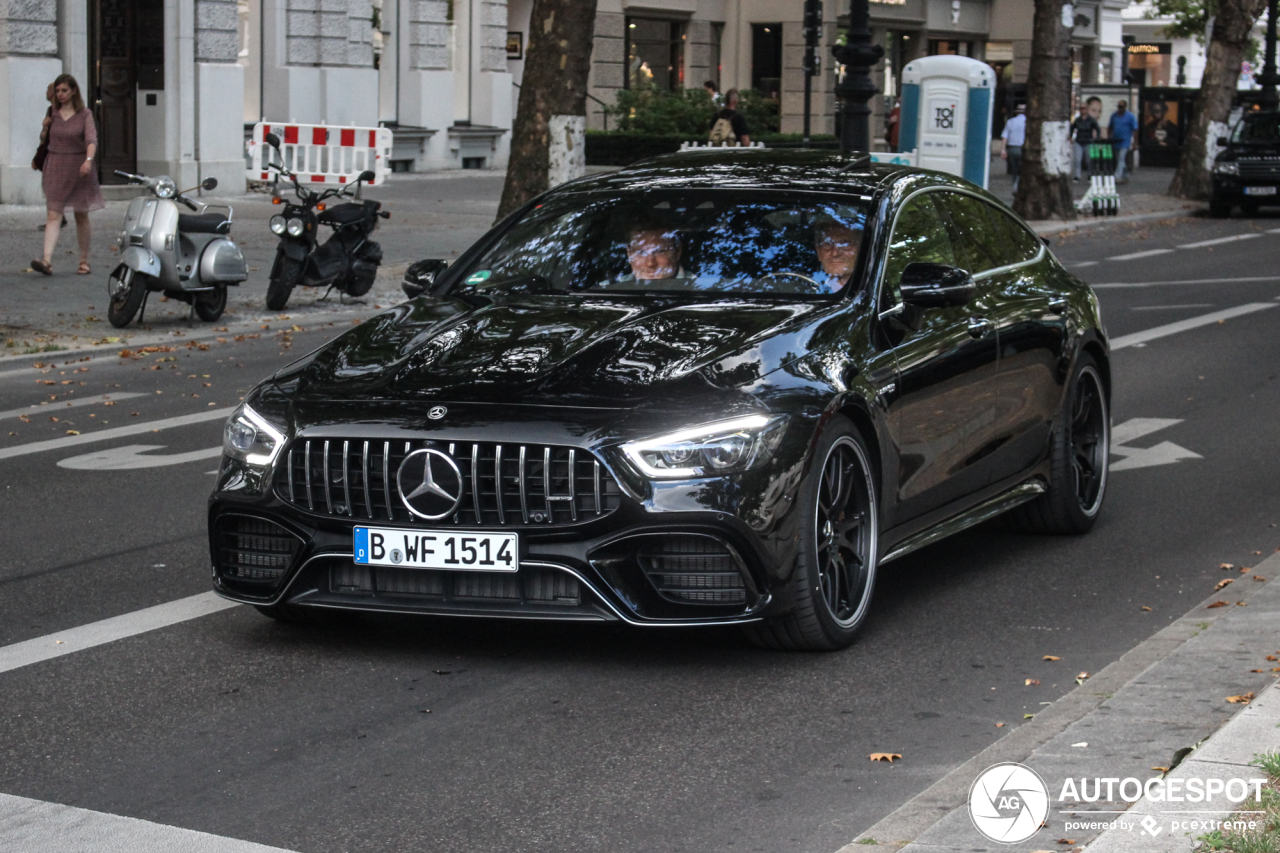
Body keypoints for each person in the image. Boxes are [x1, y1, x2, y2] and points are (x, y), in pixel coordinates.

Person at [31, 74, 103, 275]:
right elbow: (45, 140)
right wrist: (45, 127)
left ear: (73, 91)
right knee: (53, 214)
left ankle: (83, 261)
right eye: (57, 91)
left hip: (78, 167)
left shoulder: (85, 114)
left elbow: (91, 140)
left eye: (64, 90)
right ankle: (46, 261)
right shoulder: (52, 112)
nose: (60, 94)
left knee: (81, 215)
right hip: (55, 165)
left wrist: (88, 161)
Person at [814, 220, 863, 292]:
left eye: (845, 244)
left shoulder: (875, 290)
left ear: (860, 250)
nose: (835, 253)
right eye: (828, 244)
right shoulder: (810, 291)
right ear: (819, 253)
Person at [1108, 99, 1138, 183]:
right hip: (1116, 141)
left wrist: (1135, 142)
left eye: (1121, 107)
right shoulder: (1114, 116)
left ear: (1125, 107)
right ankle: (1126, 174)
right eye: (1118, 106)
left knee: (1121, 158)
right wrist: (1109, 137)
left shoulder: (1130, 116)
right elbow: (1110, 127)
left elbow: (1135, 129)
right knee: (1119, 160)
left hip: (1125, 141)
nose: (1119, 108)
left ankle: (1117, 176)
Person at [1070, 102, 1100, 181]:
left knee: (1089, 160)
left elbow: (1097, 128)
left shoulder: (1091, 120)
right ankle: (1077, 176)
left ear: (1087, 110)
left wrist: (1097, 137)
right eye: (1081, 109)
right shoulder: (1078, 120)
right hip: (1079, 141)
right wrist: (1070, 136)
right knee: (1077, 159)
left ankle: (1090, 174)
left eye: (1084, 109)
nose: (1082, 110)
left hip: (1088, 141)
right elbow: (1072, 128)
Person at [1000, 104, 1027, 192]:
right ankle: (1019, 186)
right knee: (1023, 169)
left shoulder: (1010, 121)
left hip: (1012, 148)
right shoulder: (1027, 122)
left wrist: (1003, 150)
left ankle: (1015, 184)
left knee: (1014, 168)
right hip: (1023, 148)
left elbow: (1005, 137)